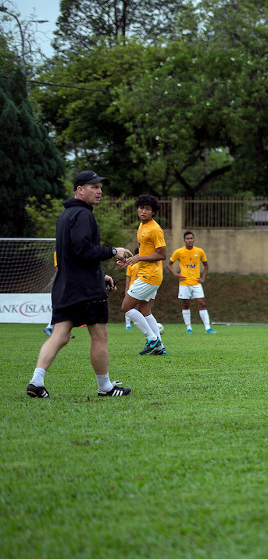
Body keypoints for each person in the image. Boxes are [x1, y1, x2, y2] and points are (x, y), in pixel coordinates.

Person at [26, 170, 134, 398]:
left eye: (100, 187)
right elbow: (83, 249)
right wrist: (114, 251)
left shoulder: (65, 215)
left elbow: (74, 254)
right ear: (80, 190)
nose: (99, 191)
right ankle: (105, 387)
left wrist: (100, 274)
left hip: (66, 286)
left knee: (60, 335)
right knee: (99, 336)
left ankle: (36, 381)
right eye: (94, 187)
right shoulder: (83, 215)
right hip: (86, 290)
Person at [121, 195, 167, 356]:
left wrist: (138, 257)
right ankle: (160, 347)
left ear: (153, 212)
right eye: (141, 207)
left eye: (147, 209)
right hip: (146, 272)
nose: (143, 211)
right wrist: (130, 261)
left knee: (126, 307)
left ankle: (152, 338)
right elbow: (143, 252)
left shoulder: (155, 229)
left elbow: (162, 254)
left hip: (151, 275)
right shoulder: (142, 226)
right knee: (144, 310)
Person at [168, 231, 216, 334]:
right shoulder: (179, 252)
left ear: (194, 239)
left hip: (196, 283)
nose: (189, 240)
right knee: (186, 304)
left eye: (191, 238)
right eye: (187, 239)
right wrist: (176, 275)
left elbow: (206, 265)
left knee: (202, 303)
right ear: (184, 240)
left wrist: (203, 278)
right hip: (184, 283)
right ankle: (189, 328)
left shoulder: (199, 251)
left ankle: (208, 328)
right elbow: (168, 264)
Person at [123, 256, 138, 330]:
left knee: (141, 307)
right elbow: (128, 277)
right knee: (128, 306)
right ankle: (128, 325)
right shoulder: (131, 264)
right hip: (132, 287)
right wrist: (126, 289)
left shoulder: (144, 264)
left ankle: (138, 323)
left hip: (141, 287)